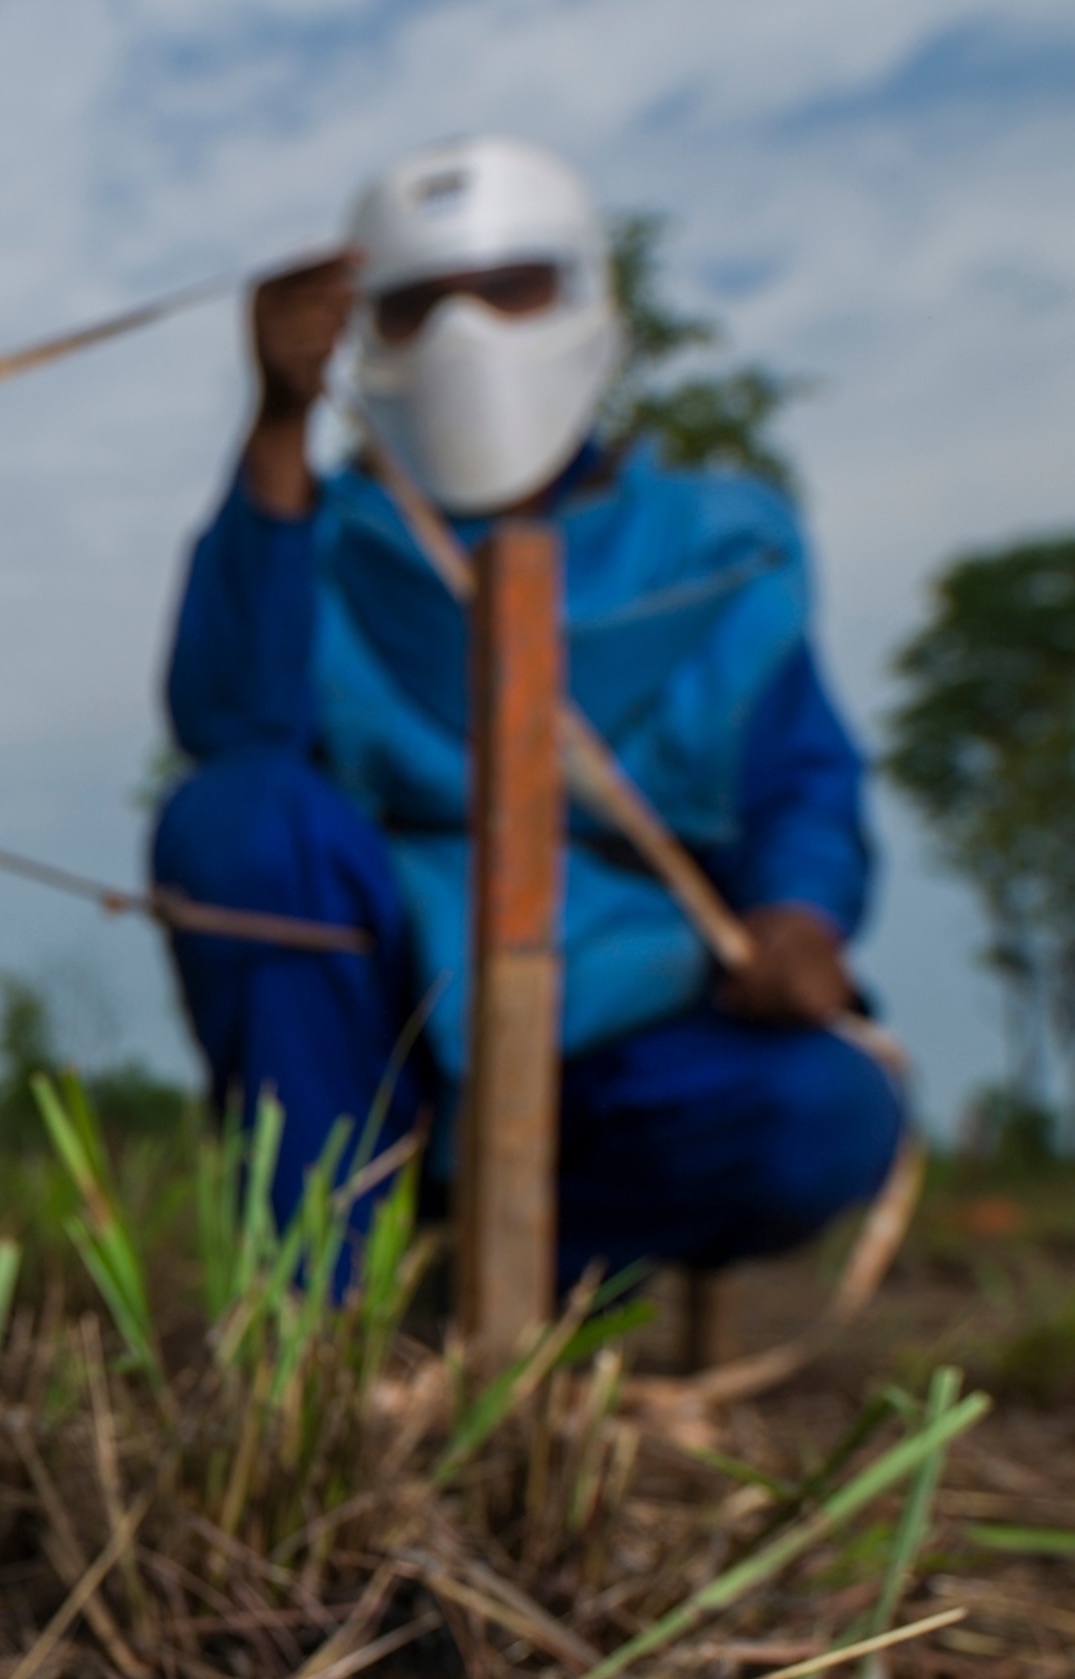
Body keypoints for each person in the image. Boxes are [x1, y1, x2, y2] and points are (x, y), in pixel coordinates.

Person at [151, 132, 902, 1287]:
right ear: (364, 333)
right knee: (237, 819)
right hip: (378, 1026)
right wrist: (277, 428)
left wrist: (800, 919)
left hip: (636, 1023)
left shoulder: (718, 546)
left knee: (826, 1113)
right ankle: (315, 1306)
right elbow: (235, 728)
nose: (467, 336)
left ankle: (503, 1284)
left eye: (509, 291)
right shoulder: (326, 532)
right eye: (416, 305)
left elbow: (801, 783)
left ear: (586, 298)